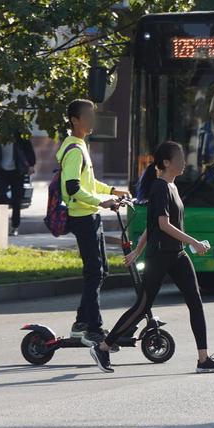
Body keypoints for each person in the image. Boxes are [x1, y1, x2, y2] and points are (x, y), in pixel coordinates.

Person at [91, 141, 214, 374]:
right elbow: (162, 225)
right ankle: (103, 347)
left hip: (177, 254)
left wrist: (137, 250)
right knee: (143, 305)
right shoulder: (160, 187)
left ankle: (203, 359)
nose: (183, 162)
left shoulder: (172, 187)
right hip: (161, 255)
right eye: (179, 158)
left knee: (195, 301)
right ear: (166, 162)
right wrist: (193, 242)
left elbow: (151, 225)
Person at [58, 99, 132, 346]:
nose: (92, 120)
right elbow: (73, 187)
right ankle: (93, 328)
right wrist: (102, 202)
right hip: (82, 217)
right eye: (88, 116)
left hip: (90, 216)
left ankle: (82, 323)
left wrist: (112, 191)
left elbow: (88, 183)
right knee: (94, 272)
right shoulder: (74, 150)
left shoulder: (81, 146)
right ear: (75, 120)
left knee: (101, 271)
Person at [0, 126, 37, 236]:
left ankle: (15, 226)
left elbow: (28, 149)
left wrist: (31, 165)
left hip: (17, 171)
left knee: (16, 200)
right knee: (1, 197)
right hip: (2, 171)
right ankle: (1, 225)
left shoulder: (19, 135)